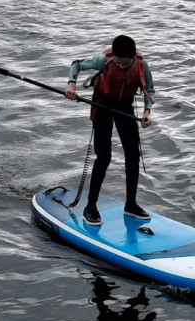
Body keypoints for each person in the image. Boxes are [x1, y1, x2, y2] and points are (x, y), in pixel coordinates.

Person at [65, 35, 155, 226]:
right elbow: (76, 65)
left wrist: (147, 112)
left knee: (133, 156)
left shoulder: (141, 65)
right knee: (104, 157)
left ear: (133, 57)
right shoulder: (103, 60)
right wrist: (71, 84)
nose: (121, 67)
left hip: (125, 108)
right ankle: (90, 206)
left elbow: (150, 91)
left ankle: (131, 205)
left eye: (125, 64)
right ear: (113, 56)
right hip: (102, 107)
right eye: (118, 63)